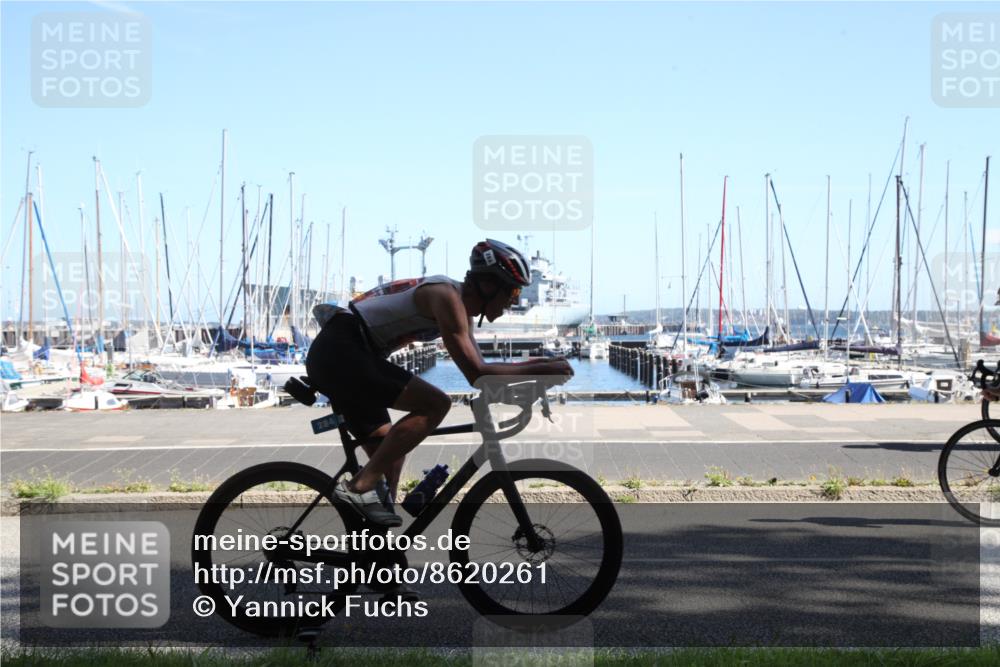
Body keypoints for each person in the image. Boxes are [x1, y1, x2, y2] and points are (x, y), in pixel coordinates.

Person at [306, 239, 573, 526]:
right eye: (513, 290)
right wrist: (545, 367)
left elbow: (483, 374)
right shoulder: (445, 296)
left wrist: (535, 377)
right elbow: (478, 372)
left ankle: (376, 554)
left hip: (350, 356)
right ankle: (357, 488)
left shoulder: (462, 311)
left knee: (391, 456)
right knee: (435, 404)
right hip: (342, 350)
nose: (514, 300)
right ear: (488, 285)